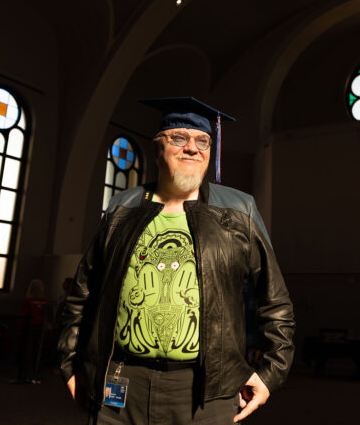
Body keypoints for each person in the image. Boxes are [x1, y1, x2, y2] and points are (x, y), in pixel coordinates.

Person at [57, 97, 295, 424]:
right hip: (121, 382)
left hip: (207, 390)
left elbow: (276, 301)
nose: (192, 148)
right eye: (179, 138)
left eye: (202, 141)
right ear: (158, 150)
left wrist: (271, 372)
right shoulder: (122, 207)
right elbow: (82, 294)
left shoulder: (240, 210)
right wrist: (70, 364)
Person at [18, 278, 50, 384]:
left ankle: (31, 373)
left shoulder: (29, 301)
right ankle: (34, 373)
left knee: (31, 351)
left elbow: (23, 315)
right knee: (35, 351)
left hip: (33, 327)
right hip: (36, 327)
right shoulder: (44, 301)